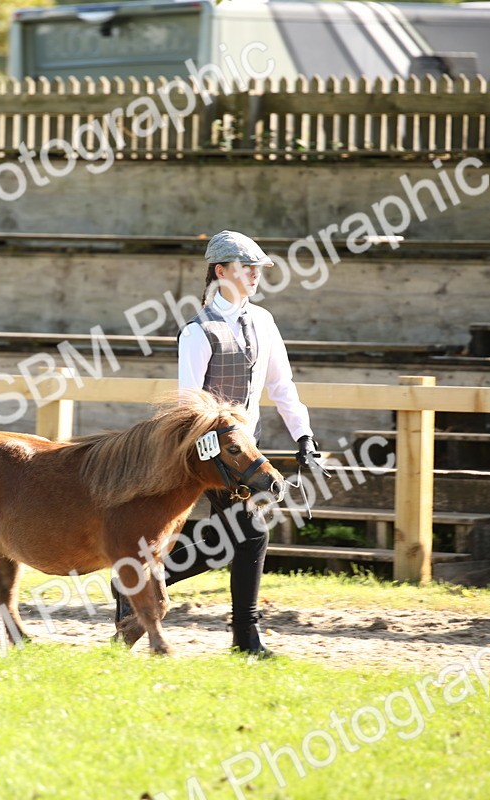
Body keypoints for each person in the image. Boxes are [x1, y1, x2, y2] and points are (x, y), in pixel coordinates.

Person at [117, 230, 317, 656]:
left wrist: (304, 435)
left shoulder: (263, 322)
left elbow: (282, 386)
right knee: (249, 535)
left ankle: (140, 583)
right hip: (211, 453)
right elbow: (189, 407)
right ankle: (244, 638)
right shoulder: (197, 332)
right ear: (221, 271)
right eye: (247, 268)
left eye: (258, 269)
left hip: (246, 449)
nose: (255, 275)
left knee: (244, 537)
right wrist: (211, 454)